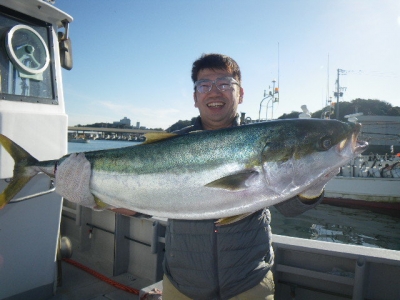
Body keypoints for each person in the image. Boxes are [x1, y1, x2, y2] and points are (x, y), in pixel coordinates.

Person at [55, 53, 336, 300]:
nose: (215, 92)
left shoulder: (264, 140)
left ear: (240, 94)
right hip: (182, 285)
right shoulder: (173, 140)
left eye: (225, 84)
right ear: (195, 97)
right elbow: (141, 207)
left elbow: (288, 206)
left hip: (250, 283)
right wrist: (94, 197)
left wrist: (313, 185)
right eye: (205, 85)